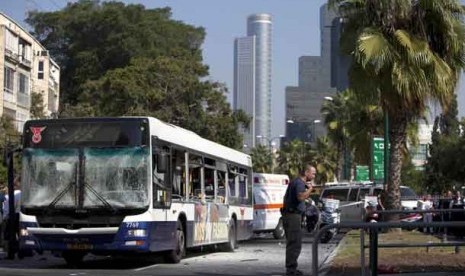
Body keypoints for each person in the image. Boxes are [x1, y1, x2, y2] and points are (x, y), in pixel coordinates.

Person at [282, 164, 316, 276]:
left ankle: (291, 268)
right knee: (294, 243)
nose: (314, 176)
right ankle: (291, 270)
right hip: (293, 216)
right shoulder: (299, 183)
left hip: (291, 215)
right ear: (306, 173)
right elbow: (300, 197)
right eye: (313, 173)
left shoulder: (297, 182)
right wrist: (310, 189)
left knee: (293, 243)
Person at [3, 176, 21, 253]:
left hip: (13, 215)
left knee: (10, 234)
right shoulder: (23, 194)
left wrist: (5, 217)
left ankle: (11, 251)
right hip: (22, 215)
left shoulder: (12, 195)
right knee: (20, 233)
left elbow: (7, 208)